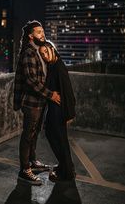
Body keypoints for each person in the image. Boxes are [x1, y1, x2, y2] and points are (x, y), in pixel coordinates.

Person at [13, 21, 61, 185]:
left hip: (41, 101)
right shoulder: (29, 53)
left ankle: (32, 162)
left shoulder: (39, 52)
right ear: (31, 36)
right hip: (32, 102)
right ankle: (24, 169)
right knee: (28, 135)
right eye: (39, 32)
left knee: (34, 133)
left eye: (43, 31)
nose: (43, 34)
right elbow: (31, 81)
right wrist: (51, 95)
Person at [39, 42, 76, 182]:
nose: (44, 55)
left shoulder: (59, 67)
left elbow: (68, 91)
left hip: (59, 110)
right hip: (54, 109)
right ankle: (64, 166)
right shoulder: (52, 65)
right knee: (55, 137)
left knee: (60, 140)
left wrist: (69, 114)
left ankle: (67, 172)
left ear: (52, 49)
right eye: (42, 54)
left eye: (46, 52)